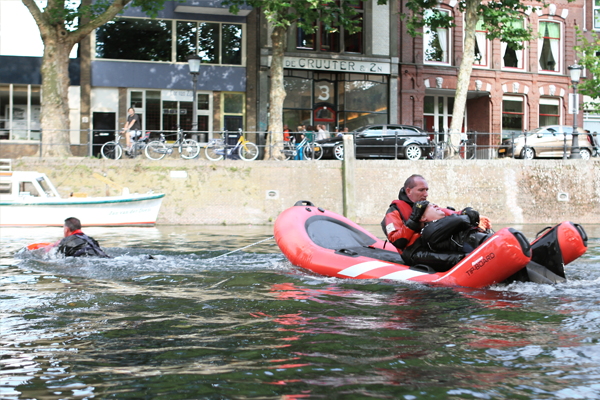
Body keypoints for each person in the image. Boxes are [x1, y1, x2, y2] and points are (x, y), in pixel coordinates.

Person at [381, 175, 491, 271]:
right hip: (415, 253)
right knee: (459, 259)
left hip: (432, 244)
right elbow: (398, 241)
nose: (426, 194)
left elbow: (444, 212)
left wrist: (465, 213)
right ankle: (482, 265)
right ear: (409, 191)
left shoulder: (423, 205)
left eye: (427, 190)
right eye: (421, 190)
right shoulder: (393, 212)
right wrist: (414, 220)